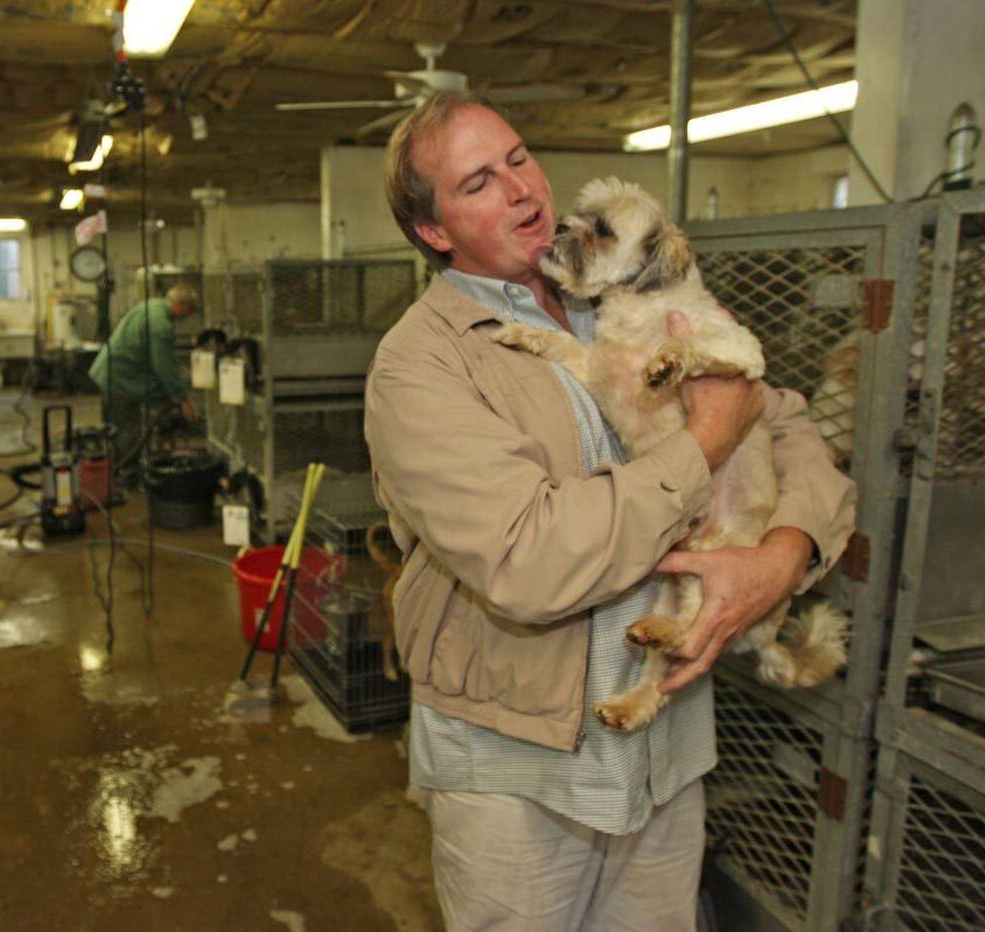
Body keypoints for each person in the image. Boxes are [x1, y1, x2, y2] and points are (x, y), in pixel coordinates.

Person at [364, 91, 856, 930]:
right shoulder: (422, 365)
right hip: (518, 766)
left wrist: (782, 554)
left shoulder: (625, 294)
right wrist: (704, 441)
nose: (521, 190)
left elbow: (786, 424)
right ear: (435, 231)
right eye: (479, 182)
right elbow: (529, 560)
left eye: (519, 158)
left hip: (663, 742)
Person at [89, 282, 201, 485]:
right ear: (180, 305)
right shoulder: (161, 324)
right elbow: (163, 365)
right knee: (127, 429)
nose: (188, 316)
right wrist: (182, 398)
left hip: (112, 373)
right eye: (189, 310)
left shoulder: (152, 305)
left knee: (115, 428)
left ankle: (115, 471)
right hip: (119, 378)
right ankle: (128, 478)